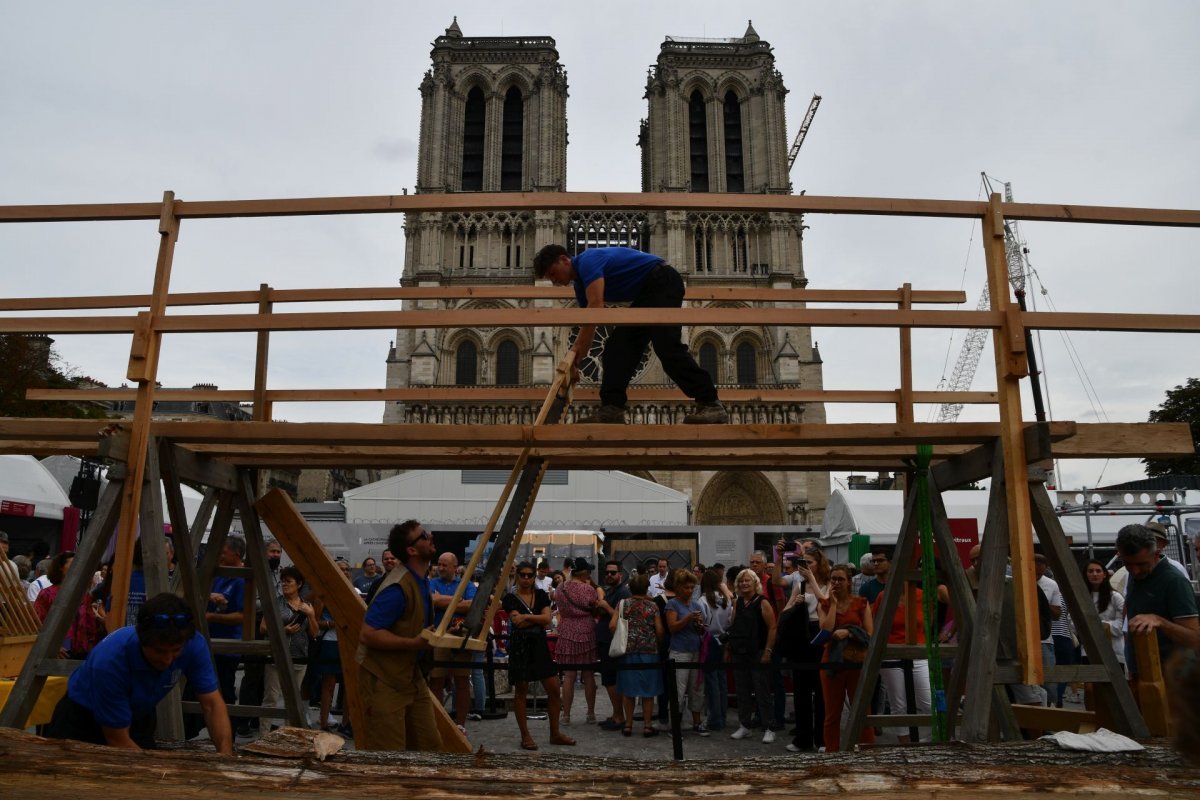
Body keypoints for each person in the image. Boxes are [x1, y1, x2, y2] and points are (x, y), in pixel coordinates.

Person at [532, 243, 728, 425]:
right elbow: (589, 325)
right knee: (618, 348)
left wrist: (575, 349)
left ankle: (710, 403)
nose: (554, 281)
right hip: (647, 293)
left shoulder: (587, 261)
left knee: (667, 347)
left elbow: (596, 307)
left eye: (553, 273)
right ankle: (612, 408)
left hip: (662, 281)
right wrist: (576, 362)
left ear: (564, 260)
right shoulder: (580, 285)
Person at [45, 592, 232, 754]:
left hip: (137, 716)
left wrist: (225, 756)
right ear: (142, 640)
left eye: (175, 651)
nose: (167, 659)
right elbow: (118, 740)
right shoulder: (110, 661)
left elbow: (212, 704)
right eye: (159, 651)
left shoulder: (193, 644)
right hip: (82, 721)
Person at [356, 519, 442, 751]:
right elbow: (368, 634)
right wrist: (414, 643)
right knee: (389, 755)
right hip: (383, 680)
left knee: (429, 746)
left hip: (410, 676)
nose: (430, 536)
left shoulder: (422, 581)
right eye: (424, 535)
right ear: (412, 550)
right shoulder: (396, 588)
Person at [500, 561, 575, 750]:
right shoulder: (510, 598)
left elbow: (547, 619)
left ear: (534, 576)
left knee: (553, 689)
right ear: (517, 575)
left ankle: (555, 733)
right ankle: (525, 736)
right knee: (521, 692)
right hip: (521, 647)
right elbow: (517, 622)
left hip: (539, 646)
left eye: (529, 575)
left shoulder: (540, 595)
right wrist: (534, 619)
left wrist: (526, 618)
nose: (526, 578)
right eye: (523, 575)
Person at [1117, 524, 1198, 677]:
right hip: (1142, 673)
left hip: (1172, 679)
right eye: (1128, 563)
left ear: (1156, 553)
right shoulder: (1135, 576)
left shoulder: (1174, 581)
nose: (1134, 570)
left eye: (1141, 564)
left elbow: (1194, 639)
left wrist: (1159, 621)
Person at [868, 550, 931, 743]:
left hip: (918, 652)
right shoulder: (883, 596)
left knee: (927, 701)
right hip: (892, 653)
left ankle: (930, 741)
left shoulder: (922, 595)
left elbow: (930, 620)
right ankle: (904, 743)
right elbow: (873, 621)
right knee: (898, 702)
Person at [818, 564, 875, 752]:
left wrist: (849, 633)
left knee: (861, 709)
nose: (836, 582)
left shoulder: (861, 603)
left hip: (856, 661)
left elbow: (869, 633)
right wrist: (833, 604)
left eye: (840, 579)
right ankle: (832, 752)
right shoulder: (824, 604)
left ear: (849, 581)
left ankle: (866, 749)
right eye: (832, 579)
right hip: (832, 662)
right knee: (831, 712)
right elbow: (826, 630)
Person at [260, 565, 317, 725]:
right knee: (271, 696)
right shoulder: (275, 603)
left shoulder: (307, 606)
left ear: (299, 584)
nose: (284, 584)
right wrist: (283, 630)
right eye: (283, 581)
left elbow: (314, 634)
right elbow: (263, 628)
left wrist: (311, 615)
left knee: (292, 699)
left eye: (288, 581)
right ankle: (264, 734)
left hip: (299, 656)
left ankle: (288, 734)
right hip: (276, 656)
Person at [726, 568, 778, 743]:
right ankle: (745, 725)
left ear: (755, 583)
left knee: (762, 690)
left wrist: (767, 651)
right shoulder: (737, 602)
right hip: (739, 652)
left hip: (758, 652)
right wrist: (729, 648)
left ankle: (769, 726)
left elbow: (772, 627)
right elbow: (733, 624)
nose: (744, 584)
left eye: (747, 580)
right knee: (742, 690)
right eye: (741, 581)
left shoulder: (763, 602)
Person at [428, 551, 477, 729]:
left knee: (462, 681)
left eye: (444, 565)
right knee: (436, 681)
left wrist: (441, 599)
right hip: (439, 638)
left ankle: (461, 724)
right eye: (439, 564)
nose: (440, 568)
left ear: (455, 568)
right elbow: (430, 600)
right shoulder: (431, 583)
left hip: (460, 638)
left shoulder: (467, 584)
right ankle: (438, 724)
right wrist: (458, 601)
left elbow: (472, 605)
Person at [613, 572, 665, 737]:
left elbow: (611, 626)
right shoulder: (653, 606)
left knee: (628, 690)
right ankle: (647, 726)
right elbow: (659, 630)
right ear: (646, 588)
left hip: (628, 650)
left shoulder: (623, 604)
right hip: (649, 651)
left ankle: (628, 725)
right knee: (648, 692)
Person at [206, 536, 247, 735]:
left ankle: (227, 731)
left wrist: (211, 616)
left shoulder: (241, 579)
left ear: (236, 555)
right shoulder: (219, 574)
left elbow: (242, 616)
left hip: (229, 644)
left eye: (224, 552)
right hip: (211, 640)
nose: (221, 556)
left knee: (225, 689)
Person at [32, 549, 106, 659]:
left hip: (83, 652)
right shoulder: (47, 594)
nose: (78, 567)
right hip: (59, 651)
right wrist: (50, 646)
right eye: (73, 564)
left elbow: (89, 623)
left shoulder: (83, 594)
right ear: (61, 567)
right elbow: (37, 623)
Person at [554, 556, 601, 725]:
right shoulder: (588, 590)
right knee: (588, 675)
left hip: (566, 630)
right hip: (586, 631)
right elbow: (596, 609)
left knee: (569, 676)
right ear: (583, 573)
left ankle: (565, 715)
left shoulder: (560, 588)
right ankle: (590, 713)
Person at [664, 568, 709, 735]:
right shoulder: (672, 604)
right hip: (679, 651)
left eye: (692, 587)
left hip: (696, 651)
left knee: (696, 688)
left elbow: (701, 631)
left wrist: (698, 625)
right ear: (678, 587)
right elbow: (672, 628)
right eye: (686, 587)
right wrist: (688, 618)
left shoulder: (696, 604)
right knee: (678, 690)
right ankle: (675, 725)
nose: (689, 590)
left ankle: (697, 722)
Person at [1076, 558, 1126, 707]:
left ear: (1105, 574)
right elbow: (1074, 623)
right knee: (1090, 689)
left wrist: (1097, 626)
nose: (1095, 574)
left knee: (1113, 690)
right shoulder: (1081, 597)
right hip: (1089, 650)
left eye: (1098, 571)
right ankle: (1092, 717)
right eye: (1090, 571)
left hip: (1114, 650)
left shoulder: (1115, 597)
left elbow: (1120, 626)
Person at [595, 559, 631, 731]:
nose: (609, 575)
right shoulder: (611, 590)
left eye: (613, 573)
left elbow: (621, 618)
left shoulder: (623, 592)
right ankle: (617, 713)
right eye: (607, 572)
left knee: (611, 679)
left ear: (620, 575)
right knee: (609, 679)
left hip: (612, 641)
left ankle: (619, 716)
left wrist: (604, 605)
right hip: (605, 639)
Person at [697, 567, 733, 732]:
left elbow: (702, 624)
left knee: (712, 683)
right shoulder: (726, 600)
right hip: (723, 640)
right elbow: (730, 621)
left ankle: (715, 719)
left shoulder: (702, 601)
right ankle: (722, 717)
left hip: (709, 641)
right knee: (722, 681)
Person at [1034, 554, 1063, 706]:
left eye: (1040, 573)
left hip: (1044, 639)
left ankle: (1051, 710)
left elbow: (1058, 614)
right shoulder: (1016, 581)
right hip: (1021, 639)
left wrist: (1041, 603)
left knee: (1049, 682)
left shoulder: (1051, 584)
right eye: (1035, 572)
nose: (1037, 575)